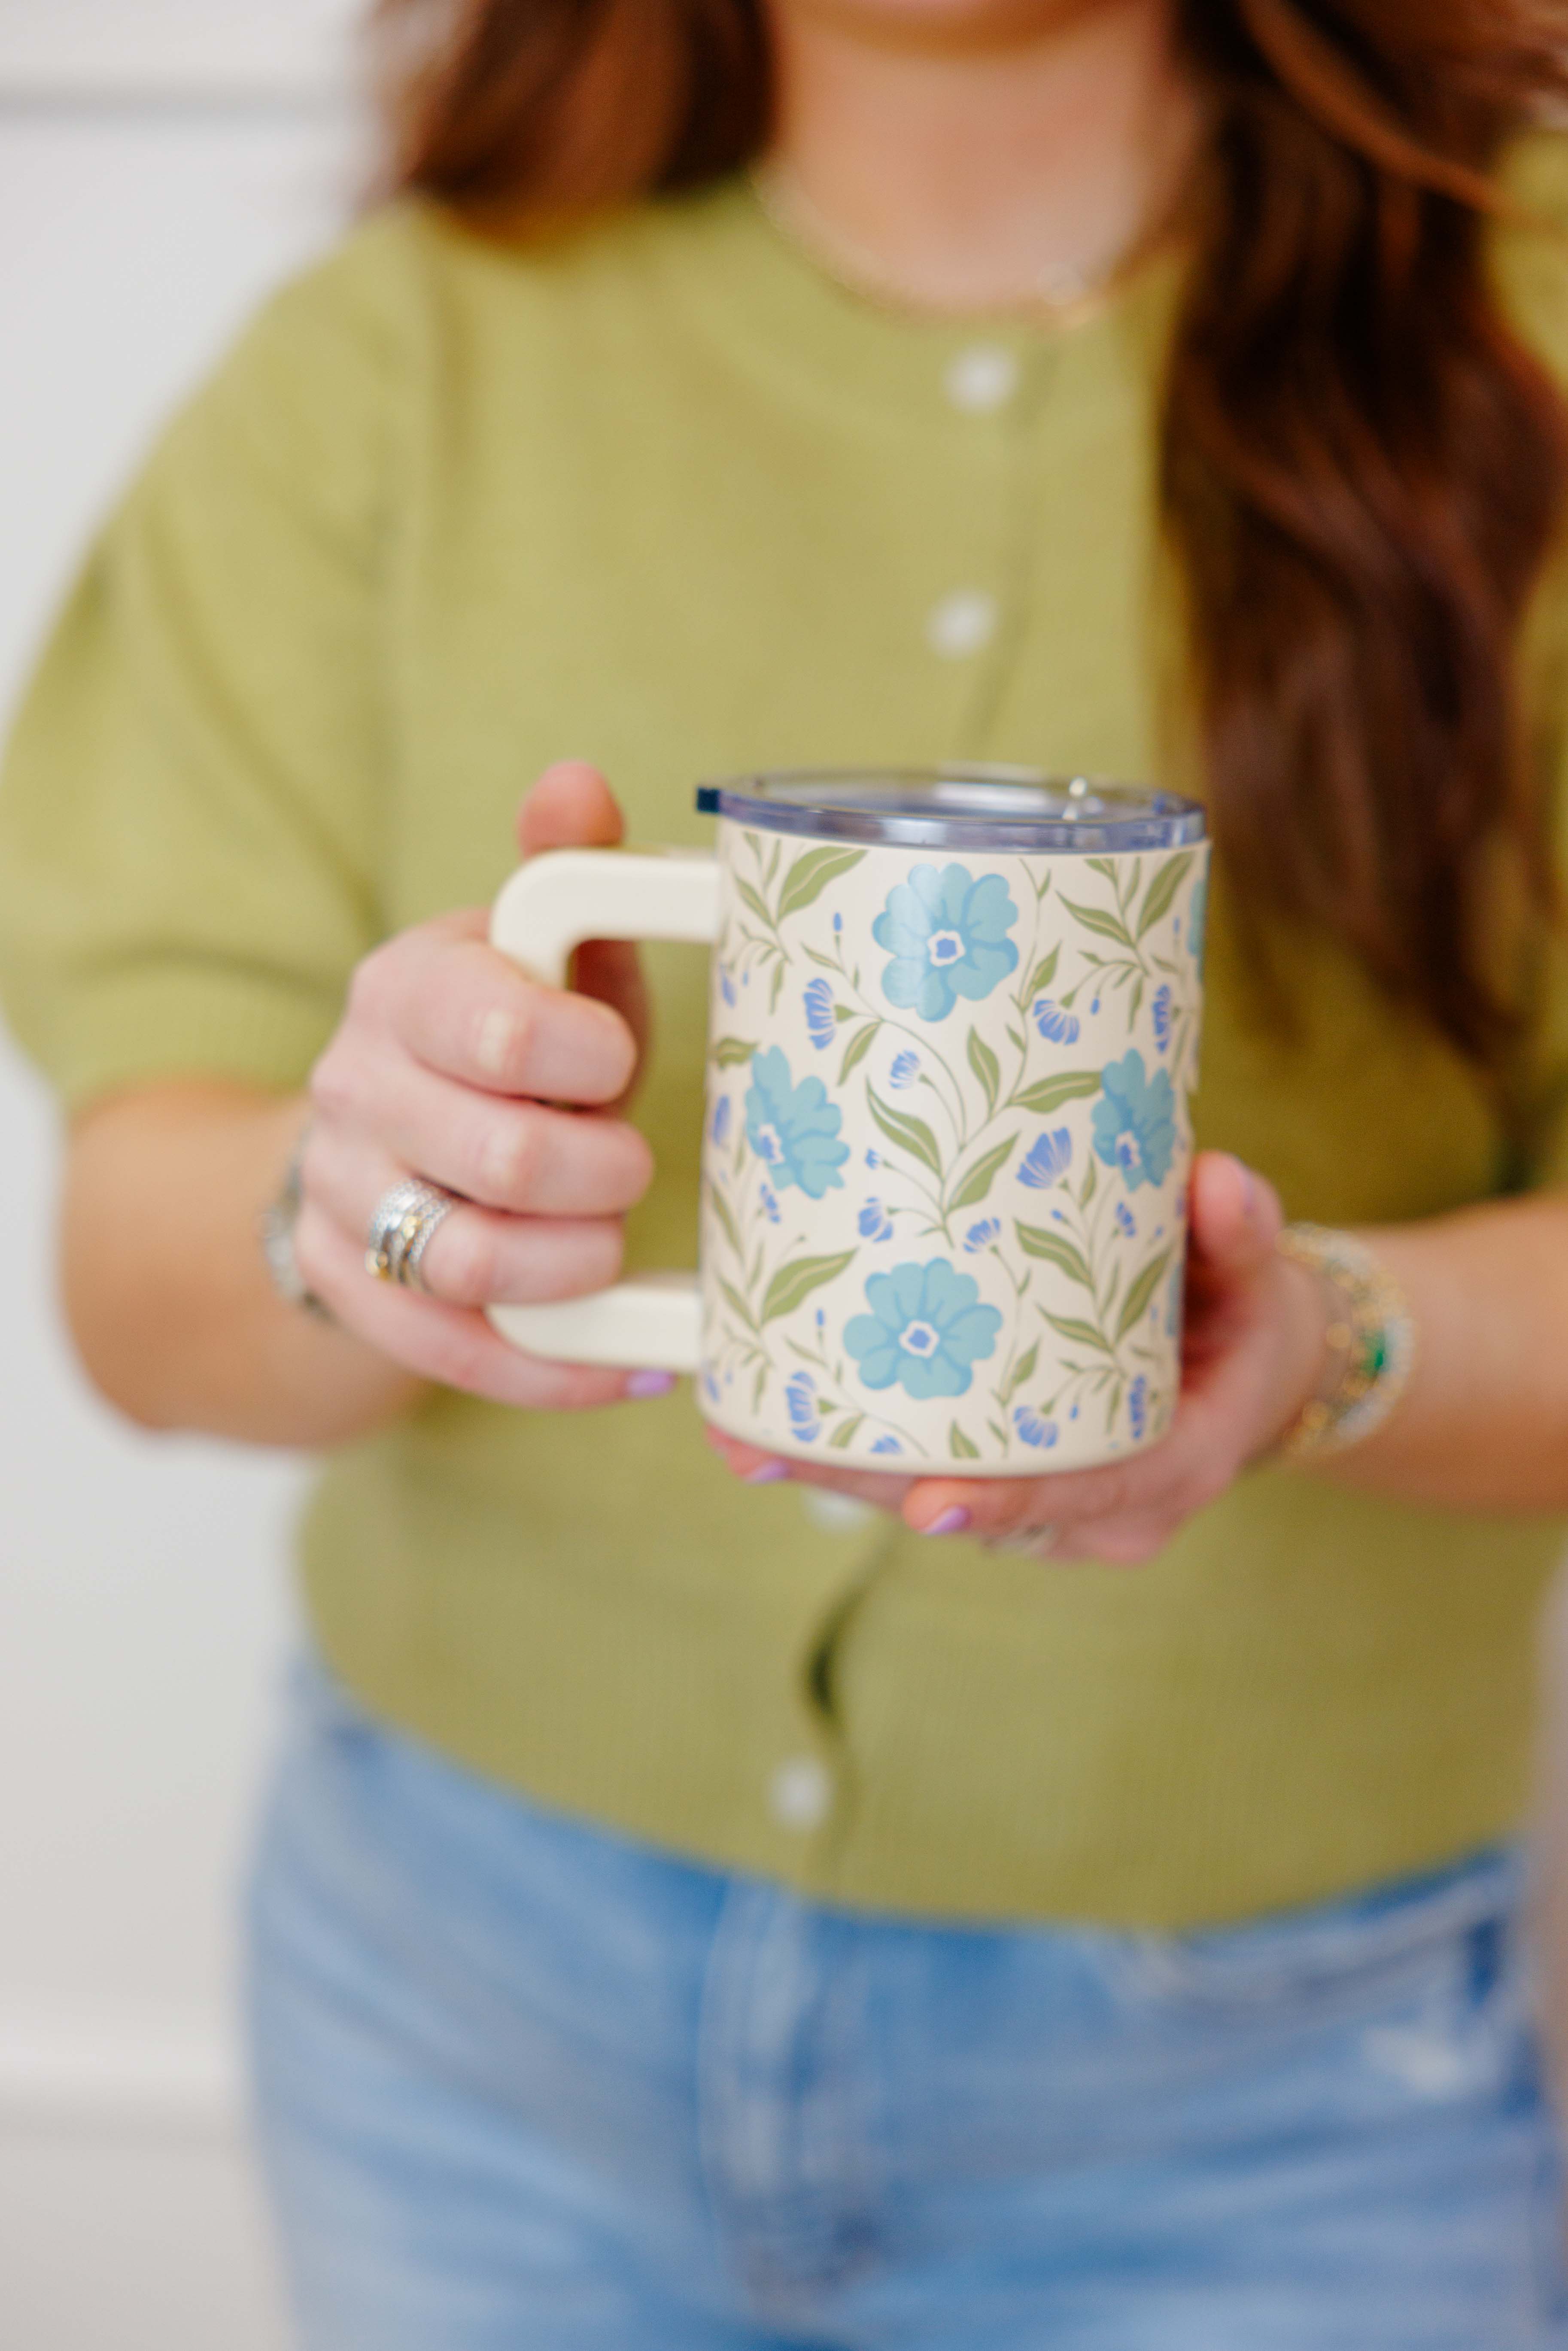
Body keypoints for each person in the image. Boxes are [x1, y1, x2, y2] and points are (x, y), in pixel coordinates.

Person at [4, 0, 1568, 2339]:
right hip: (459, 2014)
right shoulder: (397, 356)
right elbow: (132, 1282)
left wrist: (1326, 1340)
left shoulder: (1522, 331)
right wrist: (349, 1221)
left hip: (1271, 2099)